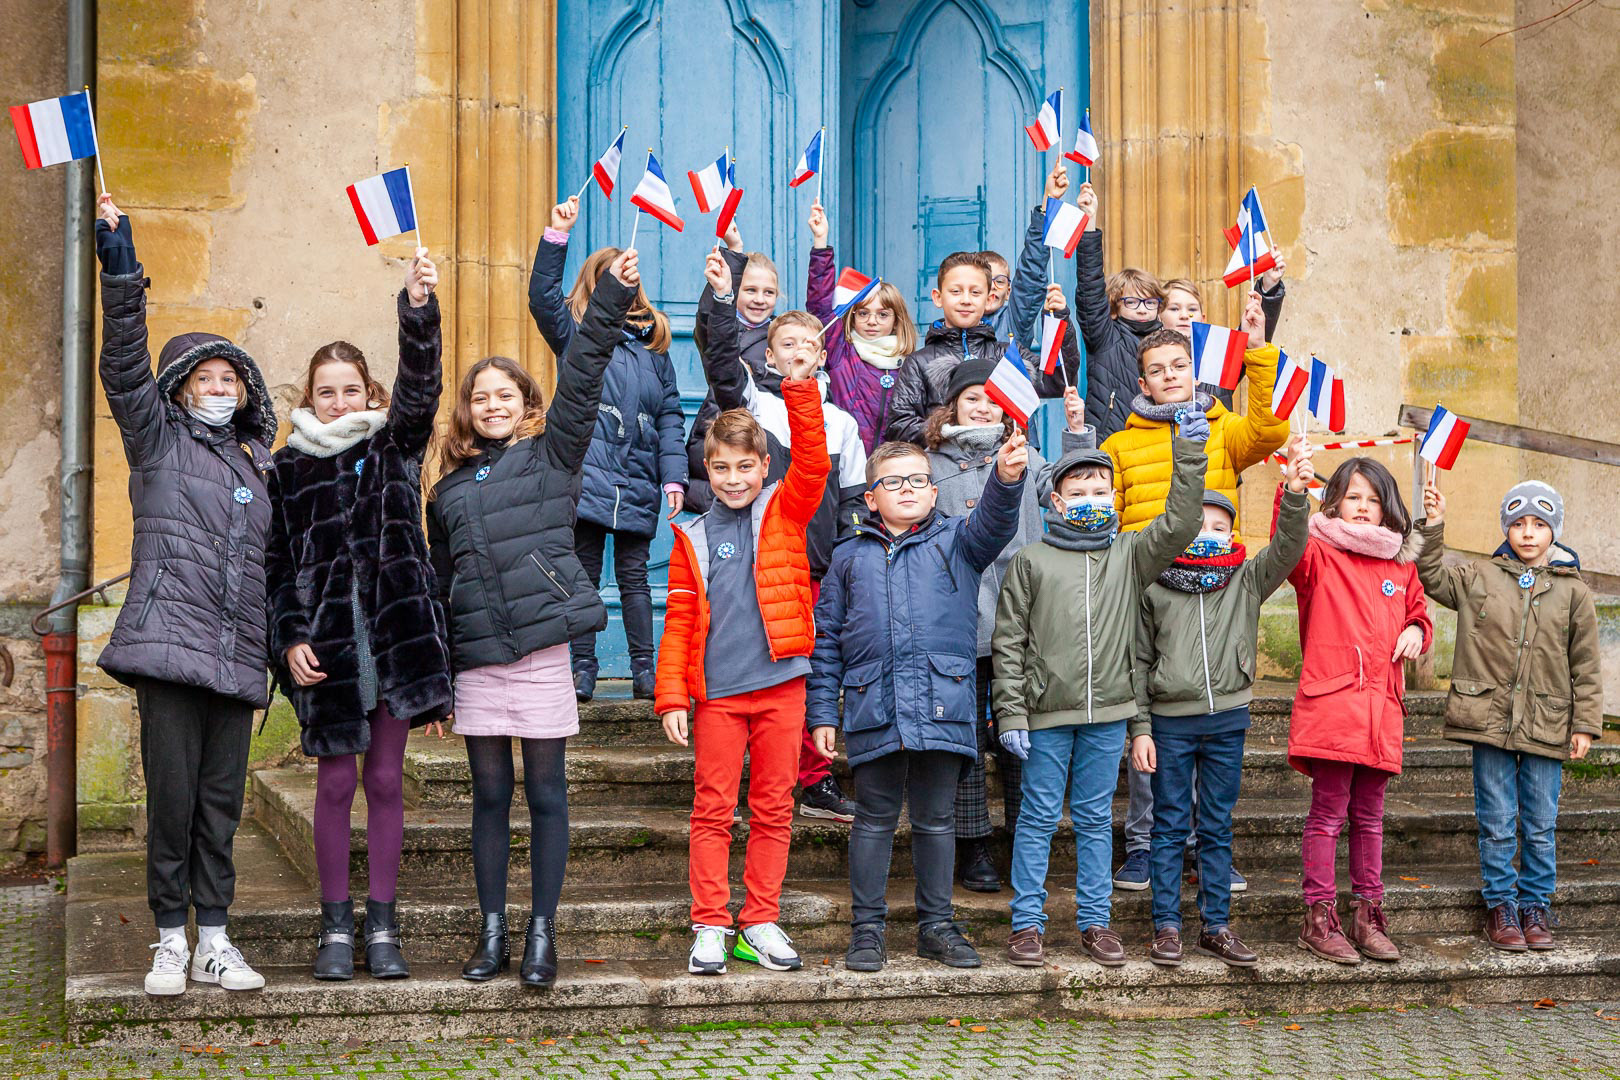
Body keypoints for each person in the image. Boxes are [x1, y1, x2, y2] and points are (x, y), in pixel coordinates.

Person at [428, 247, 643, 989]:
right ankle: (492, 932)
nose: (492, 406)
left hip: (542, 652)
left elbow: (583, 374)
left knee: (546, 794)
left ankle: (541, 936)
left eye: (505, 395)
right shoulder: (447, 492)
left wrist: (608, 297)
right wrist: (435, 677)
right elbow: (440, 582)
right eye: (479, 397)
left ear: (527, 404)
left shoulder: (553, 456)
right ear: (466, 410)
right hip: (478, 659)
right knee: (490, 797)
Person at [93, 194, 272, 996]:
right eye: (206, 378)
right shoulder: (157, 440)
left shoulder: (262, 465)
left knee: (219, 805)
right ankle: (170, 937)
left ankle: (215, 941)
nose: (219, 388)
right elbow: (124, 367)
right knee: (171, 802)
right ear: (181, 389)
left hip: (236, 657)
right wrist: (120, 266)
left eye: (229, 378)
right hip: (169, 649)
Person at [266, 250, 451, 982]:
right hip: (330, 651)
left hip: (394, 643)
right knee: (335, 784)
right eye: (326, 392)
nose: (340, 402)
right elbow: (277, 566)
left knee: (385, 781)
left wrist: (418, 310)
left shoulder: (393, 443)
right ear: (309, 398)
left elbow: (422, 386)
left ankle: (382, 925)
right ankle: (336, 926)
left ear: (368, 391)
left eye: (351, 389)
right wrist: (290, 639)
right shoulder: (287, 467)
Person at [991, 407, 1206, 969]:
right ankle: (1026, 924)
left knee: (1093, 819)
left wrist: (1189, 456)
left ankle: (1095, 922)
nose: (1090, 497)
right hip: (1046, 715)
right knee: (1037, 818)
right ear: (1056, 501)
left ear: (1114, 497)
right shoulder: (1030, 562)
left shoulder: (1130, 554)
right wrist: (1011, 713)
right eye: (1078, 490)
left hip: (1109, 713)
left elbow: (1181, 523)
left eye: (1100, 489)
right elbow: (1009, 644)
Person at [809, 436, 1028, 972]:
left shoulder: (959, 541)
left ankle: (937, 926)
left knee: (935, 820)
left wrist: (1005, 480)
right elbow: (827, 638)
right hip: (873, 702)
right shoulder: (848, 556)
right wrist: (822, 712)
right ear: (870, 497)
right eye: (892, 482)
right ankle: (867, 930)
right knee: (874, 819)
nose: (906, 489)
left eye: (917, 480)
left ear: (934, 491)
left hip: (942, 700)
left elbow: (996, 523)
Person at [655, 347, 830, 976]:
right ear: (706, 468)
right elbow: (679, 620)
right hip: (719, 694)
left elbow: (814, 462)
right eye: (722, 467)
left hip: (782, 685)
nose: (734, 479)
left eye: (746, 466)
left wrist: (801, 391)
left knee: (775, 808)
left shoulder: (786, 509)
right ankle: (710, 923)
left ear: (763, 467)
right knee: (713, 809)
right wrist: (671, 696)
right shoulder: (692, 535)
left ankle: (758, 922)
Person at [1103, 314, 1289, 892]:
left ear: (1194, 371)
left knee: (1207, 726)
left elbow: (1270, 432)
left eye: (1179, 366)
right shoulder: (1119, 444)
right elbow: (1107, 515)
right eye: (1157, 370)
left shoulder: (1222, 427)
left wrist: (1259, 351)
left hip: (1215, 586)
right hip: (1149, 589)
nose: (1170, 376)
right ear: (1143, 382)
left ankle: (1208, 850)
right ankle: (1143, 843)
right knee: (1154, 721)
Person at [1131, 435, 1314, 970]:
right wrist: (1140, 728)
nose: (1207, 534)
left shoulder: (1245, 580)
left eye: (1218, 526)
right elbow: (1137, 660)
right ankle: (1166, 926)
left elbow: (1287, 548)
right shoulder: (1154, 586)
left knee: (1215, 824)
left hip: (1228, 719)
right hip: (1170, 722)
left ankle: (1216, 925)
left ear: (1232, 533)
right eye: (1197, 525)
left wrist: (1294, 494)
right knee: (1169, 825)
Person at [698, 244, 865, 824]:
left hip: (815, 569)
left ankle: (813, 779)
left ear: (822, 354)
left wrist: (842, 560)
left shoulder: (841, 422)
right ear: (769, 353)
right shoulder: (757, 404)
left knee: (812, 674)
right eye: (786, 344)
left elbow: (851, 502)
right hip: (755, 565)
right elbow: (722, 363)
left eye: (807, 345)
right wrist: (723, 298)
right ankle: (743, 774)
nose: (797, 352)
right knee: (750, 667)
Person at [1418, 479, 1601, 951]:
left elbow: (1586, 663)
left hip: (1547, 722)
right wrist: (1435, 525)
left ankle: (1535, 904)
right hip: (1489, 721)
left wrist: (1585, 724)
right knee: (1497, 820)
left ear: (1554, 530)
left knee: (1540, 823)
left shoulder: (1574, 591)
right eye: (1519, 523)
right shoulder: (1479, 575)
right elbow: (1431, 575)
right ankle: (1501, 904)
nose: (1528, 533)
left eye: (1539, 524)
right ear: (1506, 528)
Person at [528, 196, 688, 702]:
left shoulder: (653, 350)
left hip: (636, 477)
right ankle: (582, 670)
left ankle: (645, 671)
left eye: (628, 282)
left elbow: (669, 415)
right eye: (612, 281)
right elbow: (542, 299)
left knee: (635, 578)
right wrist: (557, 236)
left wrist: (673, 476)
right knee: (583, 575)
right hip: (587, 474)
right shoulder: (578, 336)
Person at [1285, 458, 1431, 966]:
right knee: (1328, 815)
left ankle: (1367, 916)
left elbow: (1419, 611)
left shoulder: (1400, 563)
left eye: (1373, 499)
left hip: (1381, 709)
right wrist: (1292, 494)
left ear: (1387, 507)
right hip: (1334, 704)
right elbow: (1288, 550)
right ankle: (1318, 918)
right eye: (1353, 497)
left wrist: (1416, 630)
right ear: (1335, 502)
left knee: (1370, 818)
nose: (1363, 507)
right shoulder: (1318, 551)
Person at [921, 359, 1053, 892]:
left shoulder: (1025, 454)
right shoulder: (930, 463)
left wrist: (1075, 432)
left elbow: (1062, 488)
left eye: (992, 399)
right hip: (961, 619)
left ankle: (1026, 842)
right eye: (971, 398)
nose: (982, 407)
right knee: (967, 738)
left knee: (1022, 737)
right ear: (952, 405)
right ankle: (973, 845)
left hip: (1021, 621)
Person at [807, 211, 919, 454]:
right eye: (863, 313)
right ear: (853, 317)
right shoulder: (841, 353)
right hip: (846, 460)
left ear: (896, 321)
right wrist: (820, 245)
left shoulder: (911, 364)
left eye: (883, 315)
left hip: (892, 465)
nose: (872, 321)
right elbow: (820, 307)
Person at [1072, 182, 1164, 442]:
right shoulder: (1105, 336)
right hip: (1110, 441)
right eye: (1132, 302)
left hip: (1156, 445)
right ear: (1115, 307)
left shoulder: (1169, 342)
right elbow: (1090, 288)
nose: (1142, 309)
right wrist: (1089, 225)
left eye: (1150, 302)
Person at [1158, 270, 1288, 409]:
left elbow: (1252, 337)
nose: (1184, 315)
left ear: (1202, 319)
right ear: (1159, 316)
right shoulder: (1149, 356)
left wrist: (1269, 287)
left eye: (1192, 310)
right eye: (1174, 309)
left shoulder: (1219, 357)